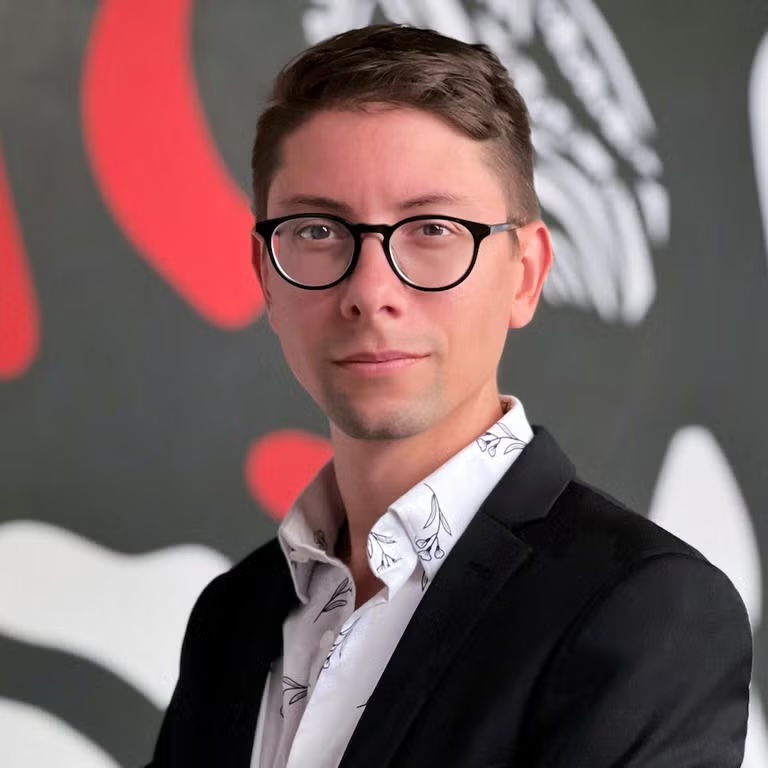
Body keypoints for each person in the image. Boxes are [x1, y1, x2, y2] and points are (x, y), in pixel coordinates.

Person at [148, 24, 751, 768]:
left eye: (432, 228)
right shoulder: (233, 619)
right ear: (265, 275)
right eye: (318, 230)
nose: (370, 291)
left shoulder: (642, 612)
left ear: (525, 275)